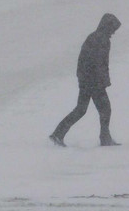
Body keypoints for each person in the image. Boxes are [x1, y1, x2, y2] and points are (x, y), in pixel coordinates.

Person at [50, 13, 122, 147]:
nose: (114, 32)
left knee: (81, 109)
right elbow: (98, 63)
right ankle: (104, 138)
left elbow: (89, 62)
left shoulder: (95, 37)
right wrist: (102, 81)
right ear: (107, 26)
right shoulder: (101, 39)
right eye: (113, 28)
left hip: (87, 80)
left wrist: (85, 78)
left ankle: (58, 134)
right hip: (93, 81)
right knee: (105, 109)